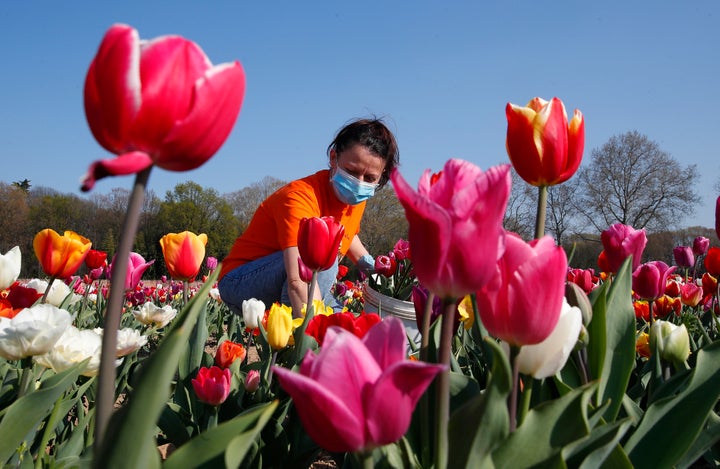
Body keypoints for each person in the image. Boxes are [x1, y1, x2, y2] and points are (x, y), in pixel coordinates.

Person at [218, 117, 399, 318]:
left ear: (381, 176)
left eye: (370, 178)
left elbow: (348, 233)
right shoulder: (299, 197)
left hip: (302, 280)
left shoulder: (355, 202)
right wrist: (307, 334)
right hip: (241, 282)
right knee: (321, 258)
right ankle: (291, 344)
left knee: (348, 323)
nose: (359, 182)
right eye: (351, 171)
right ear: (333, 157)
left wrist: (372, 266)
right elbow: (297, 281)